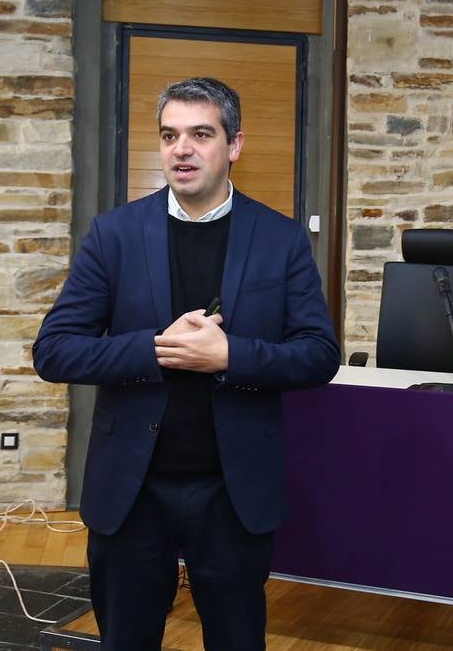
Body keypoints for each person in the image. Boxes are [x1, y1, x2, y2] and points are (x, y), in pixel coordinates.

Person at [33, 77, 340, 650]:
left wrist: (229, 356)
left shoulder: (281, 239)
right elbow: (54, 350)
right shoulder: (114, 235)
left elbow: (320, 355)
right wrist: (154, 349)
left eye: (201, 134)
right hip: (132, 489)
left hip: (232, 491)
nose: (182, 148)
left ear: (235, 146)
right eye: (170, 135)